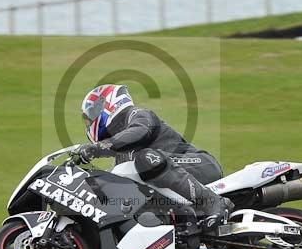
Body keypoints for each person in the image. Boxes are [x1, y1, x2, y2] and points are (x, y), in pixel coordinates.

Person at [75, 84, 233, 232]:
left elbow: (139, 132)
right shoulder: (122, 156)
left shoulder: (137, 115)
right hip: (176, 186)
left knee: (146, 159)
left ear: (109, 104)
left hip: (200, 164)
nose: (89, 122)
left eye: (91, 114)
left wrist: (98, 148)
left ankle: (213, 202)